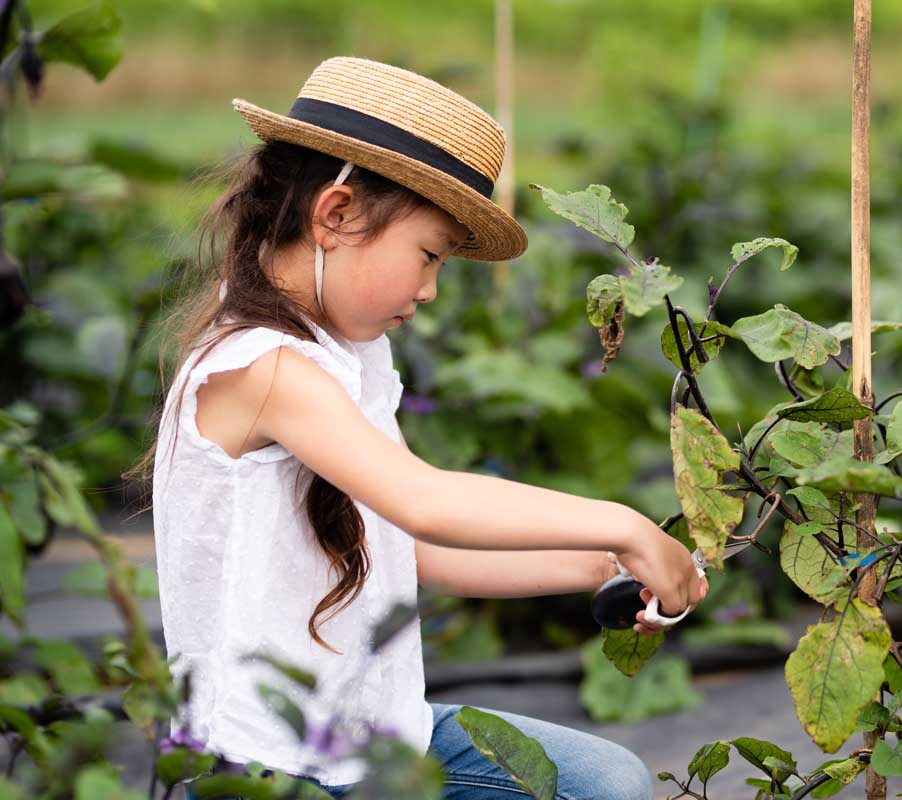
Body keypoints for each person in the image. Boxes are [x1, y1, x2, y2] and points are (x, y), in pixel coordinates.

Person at [130, 56, 709, 799]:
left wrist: (600, 567)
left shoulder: (347, 354)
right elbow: (423, 501)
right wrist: (626, 525)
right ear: (336, 215)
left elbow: (413, 548)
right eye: (428, 255)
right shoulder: (260, 366)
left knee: (609, 781)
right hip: (267, 760)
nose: (430, 290)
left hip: (373, 729)